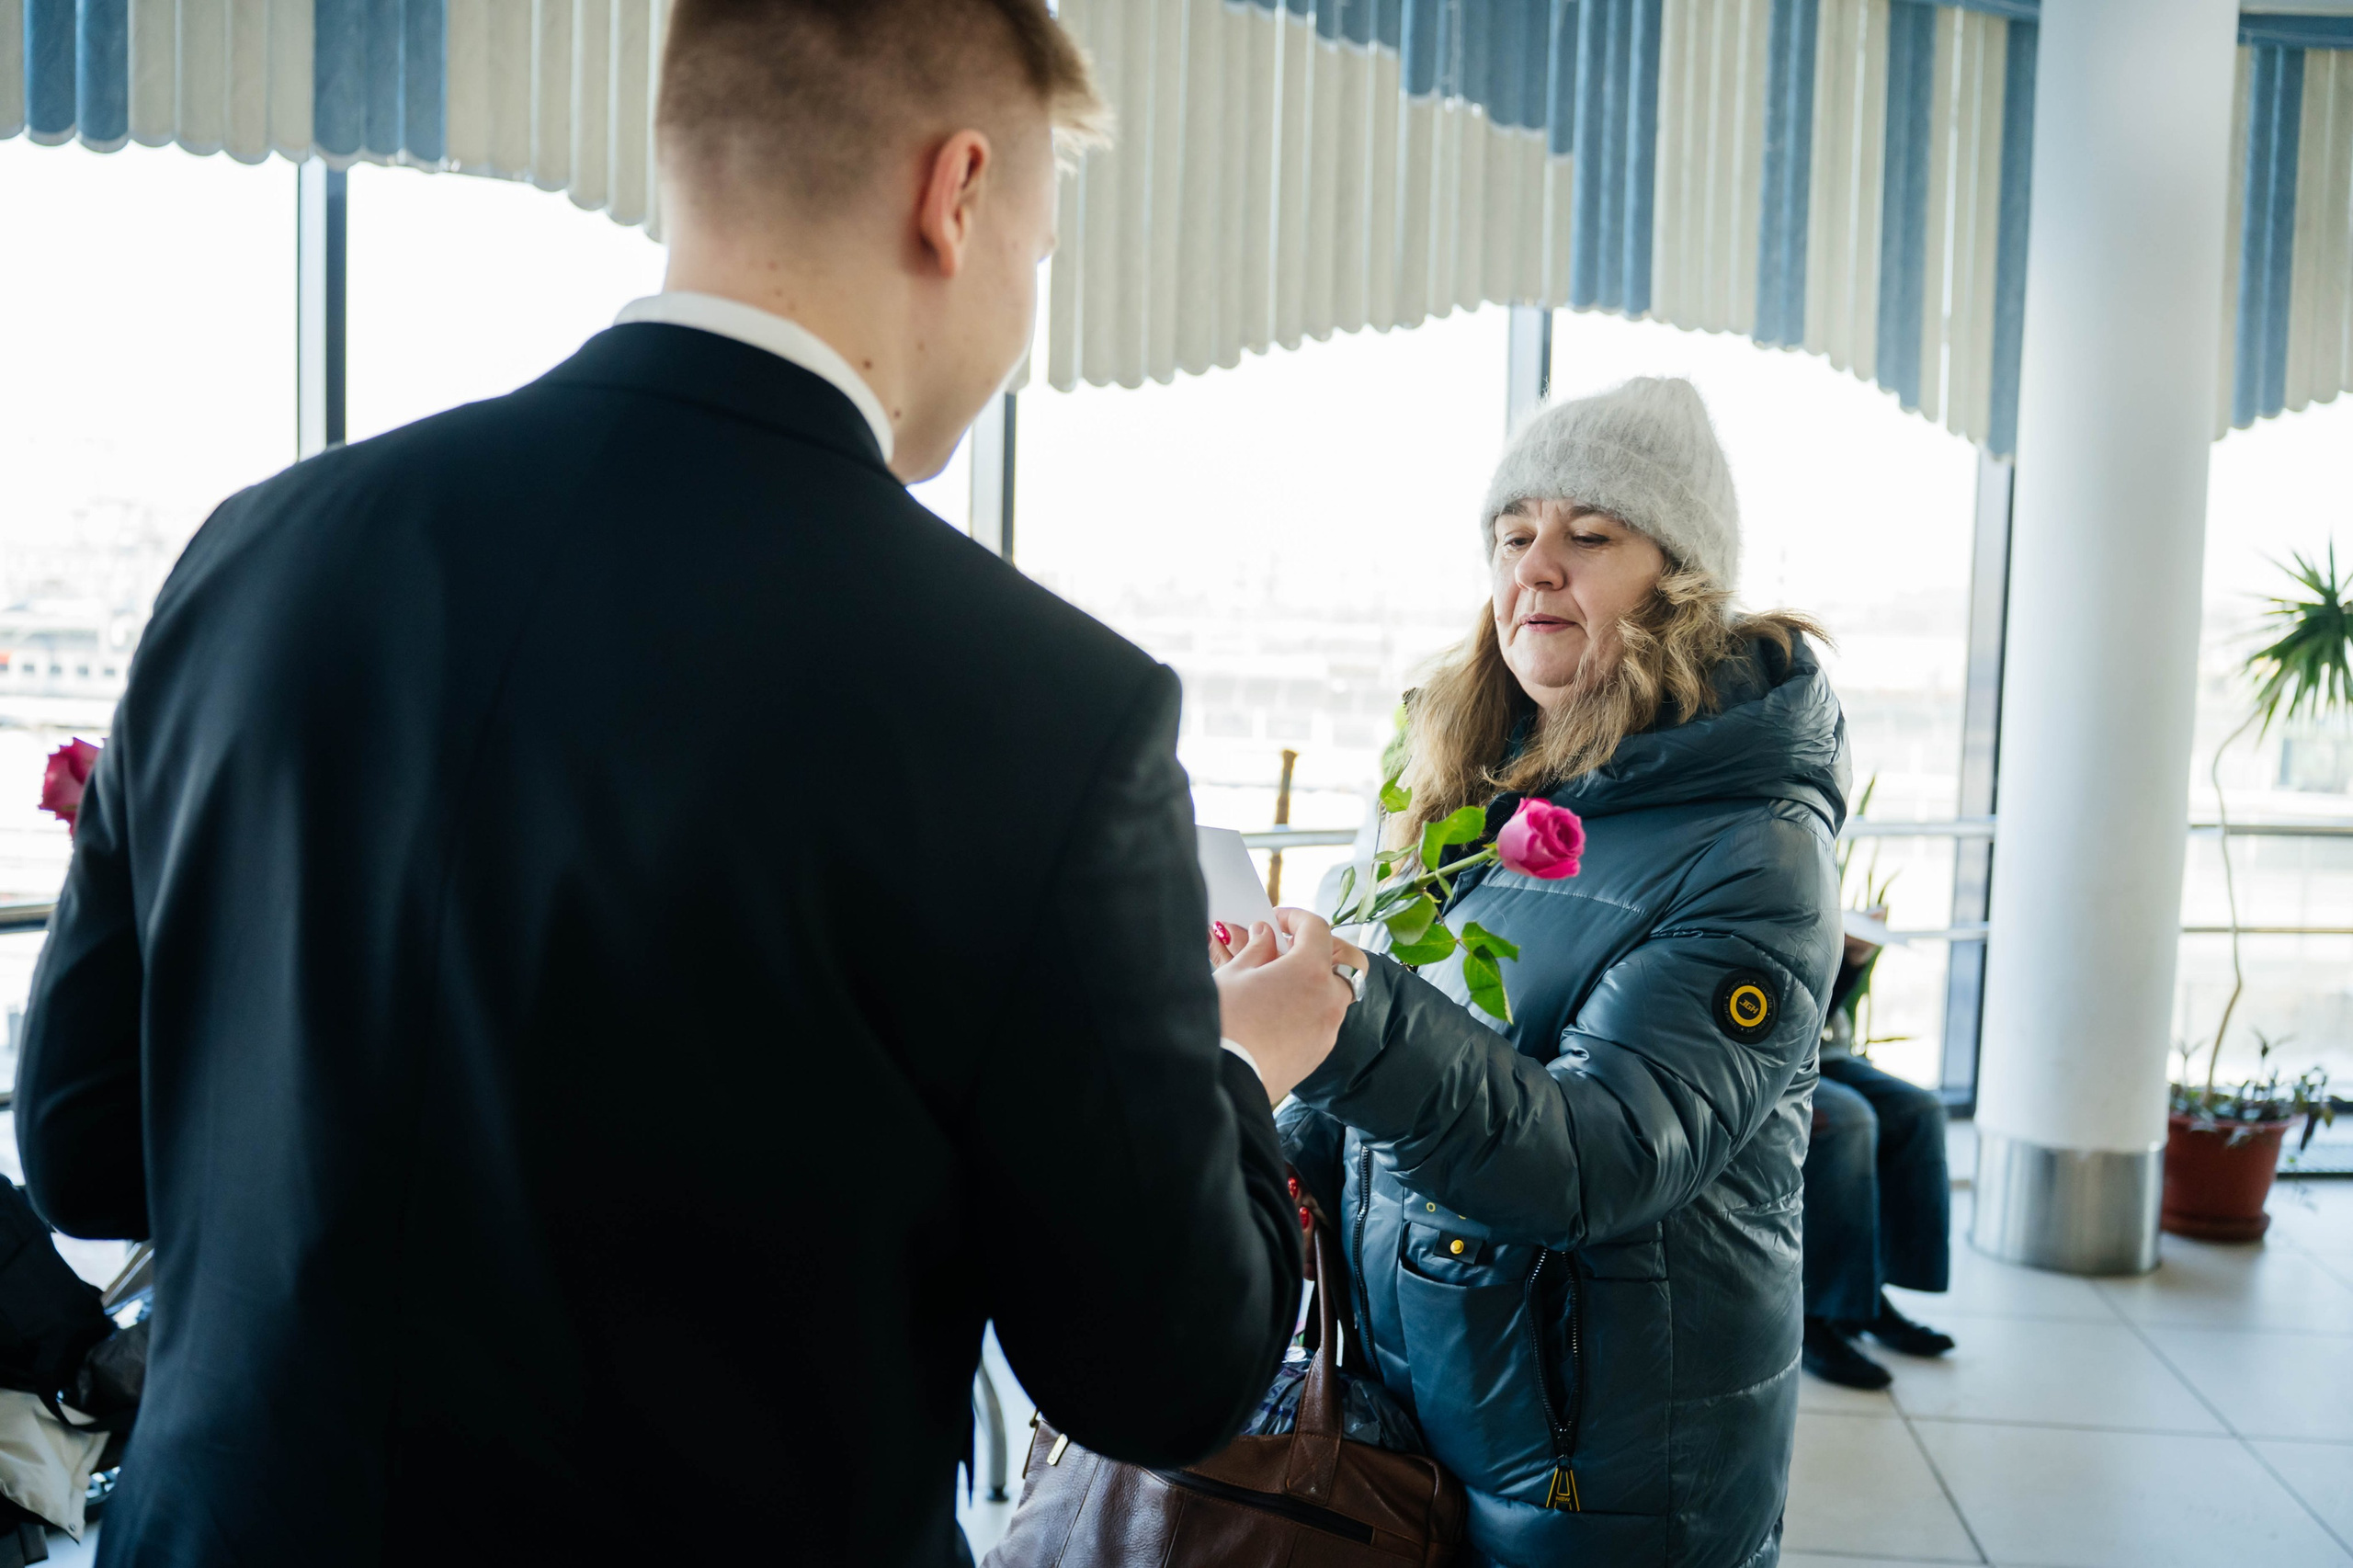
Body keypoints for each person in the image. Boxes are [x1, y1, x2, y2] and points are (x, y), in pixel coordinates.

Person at [13, 4, 1355, 1562]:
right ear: (959, 194)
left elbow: (87, 1143)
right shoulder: (1048, 709)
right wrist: (1238, 1067)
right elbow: (1163, 1367)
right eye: (1039, 253)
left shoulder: (255, 558)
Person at [1273, 377, 1846, 1568]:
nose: (1537, 566)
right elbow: (1385, 1100)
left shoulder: (1755, 848)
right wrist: (1257, 1130)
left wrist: (1342, 1018)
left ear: (1681, 586)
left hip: (1604, 1476)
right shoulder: (1463, 783)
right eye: (1513, 533)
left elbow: (1602, 1156)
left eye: (1590, 536)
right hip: (1424, 1417)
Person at [1800, 924, 1957, 1390]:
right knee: (1850, 1122)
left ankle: (1867, 1294)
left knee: (1919, 1110)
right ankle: (1816, 1312)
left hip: (1823, 1050)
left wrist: (1848, 961)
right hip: (1771, 1052)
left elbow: (1821, 1016)